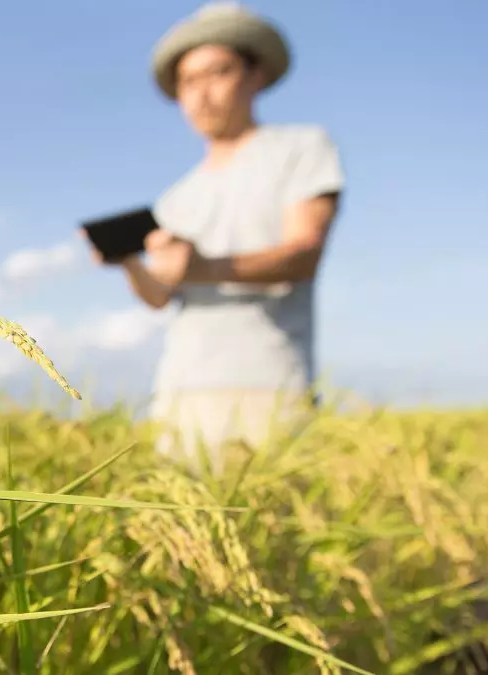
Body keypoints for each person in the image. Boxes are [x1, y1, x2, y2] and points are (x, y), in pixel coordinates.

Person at [87, 2, 345, 473]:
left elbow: (305, 252)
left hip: (268, 384)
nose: (201, 95)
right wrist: (128, 262)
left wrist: (204, 268)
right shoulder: (177, 197)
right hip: (181, 389)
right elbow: (163, 294)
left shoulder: (300, 148)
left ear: (254, 75)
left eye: (217, 73)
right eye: (188, 82)